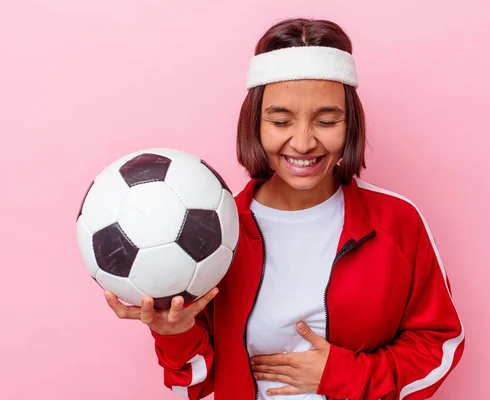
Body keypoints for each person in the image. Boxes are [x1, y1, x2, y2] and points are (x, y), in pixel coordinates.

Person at [104, 18, 465, 400]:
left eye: (327, 120)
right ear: (254, 124)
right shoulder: (213, 233)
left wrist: (344, 373)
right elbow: (196, 385)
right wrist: (173, 333)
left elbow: (440, 348)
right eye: (280, 121)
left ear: (351, 124)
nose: (304, 142)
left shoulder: (397, 221)